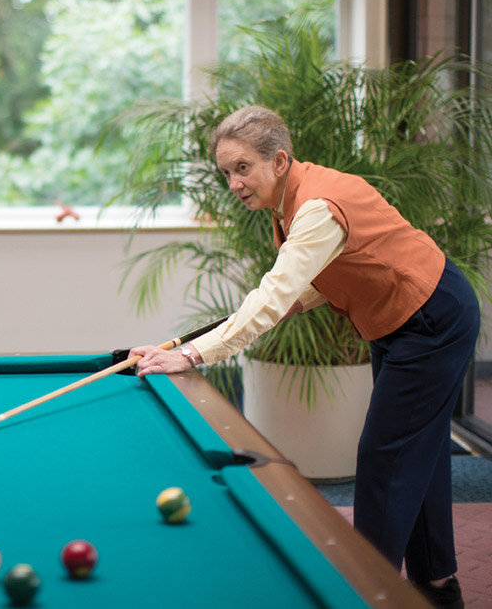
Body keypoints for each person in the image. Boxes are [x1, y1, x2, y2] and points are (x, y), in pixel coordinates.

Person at [131, 105, 478, 609]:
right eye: (226, 172)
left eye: (242, 168)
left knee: (385, 458)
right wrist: (188, 344)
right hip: (405, 319)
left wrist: (193, 355)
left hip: (430, 320)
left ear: (278, 161)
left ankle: (362, 593)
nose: (233, 182)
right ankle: (439, 584)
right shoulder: (295, 197)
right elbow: (304, 285)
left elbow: (275, 294)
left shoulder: (315, 206)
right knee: (415, 450)